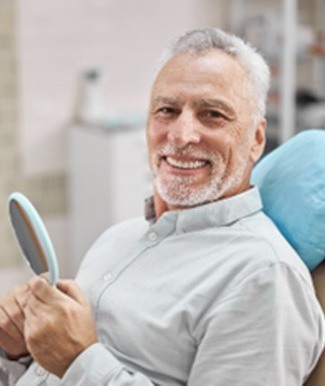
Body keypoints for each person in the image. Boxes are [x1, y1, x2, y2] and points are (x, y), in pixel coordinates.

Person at [0, 27, 324, 386]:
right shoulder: (117, 238)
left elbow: (75, 363)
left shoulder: (263, 278)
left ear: (256, 139)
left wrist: (79, 361)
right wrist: (19, 353)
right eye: (167, 110)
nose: (182, 135)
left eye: (212, 114)